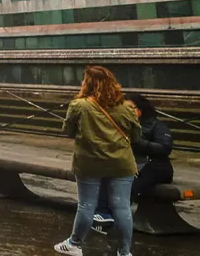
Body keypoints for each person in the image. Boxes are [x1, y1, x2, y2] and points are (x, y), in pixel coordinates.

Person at [54, 66, 140, 256]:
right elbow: (136, 136)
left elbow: (68, 131)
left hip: (89, 163)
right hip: (122, 163)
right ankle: (125, 252)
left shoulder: (79, 105)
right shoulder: (127, 107)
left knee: (86, 205)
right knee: (122, 206)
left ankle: (75, 244)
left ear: (88, 84)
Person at [94, 93, 174, 232]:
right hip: (131, 165)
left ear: (140, 109)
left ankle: (116, 220)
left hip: (155, 166)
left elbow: (164, 148)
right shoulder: (121, 125)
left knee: (127, 184)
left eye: (131, 108)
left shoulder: (156, 126)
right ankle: (102, 216)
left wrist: (137, 142)